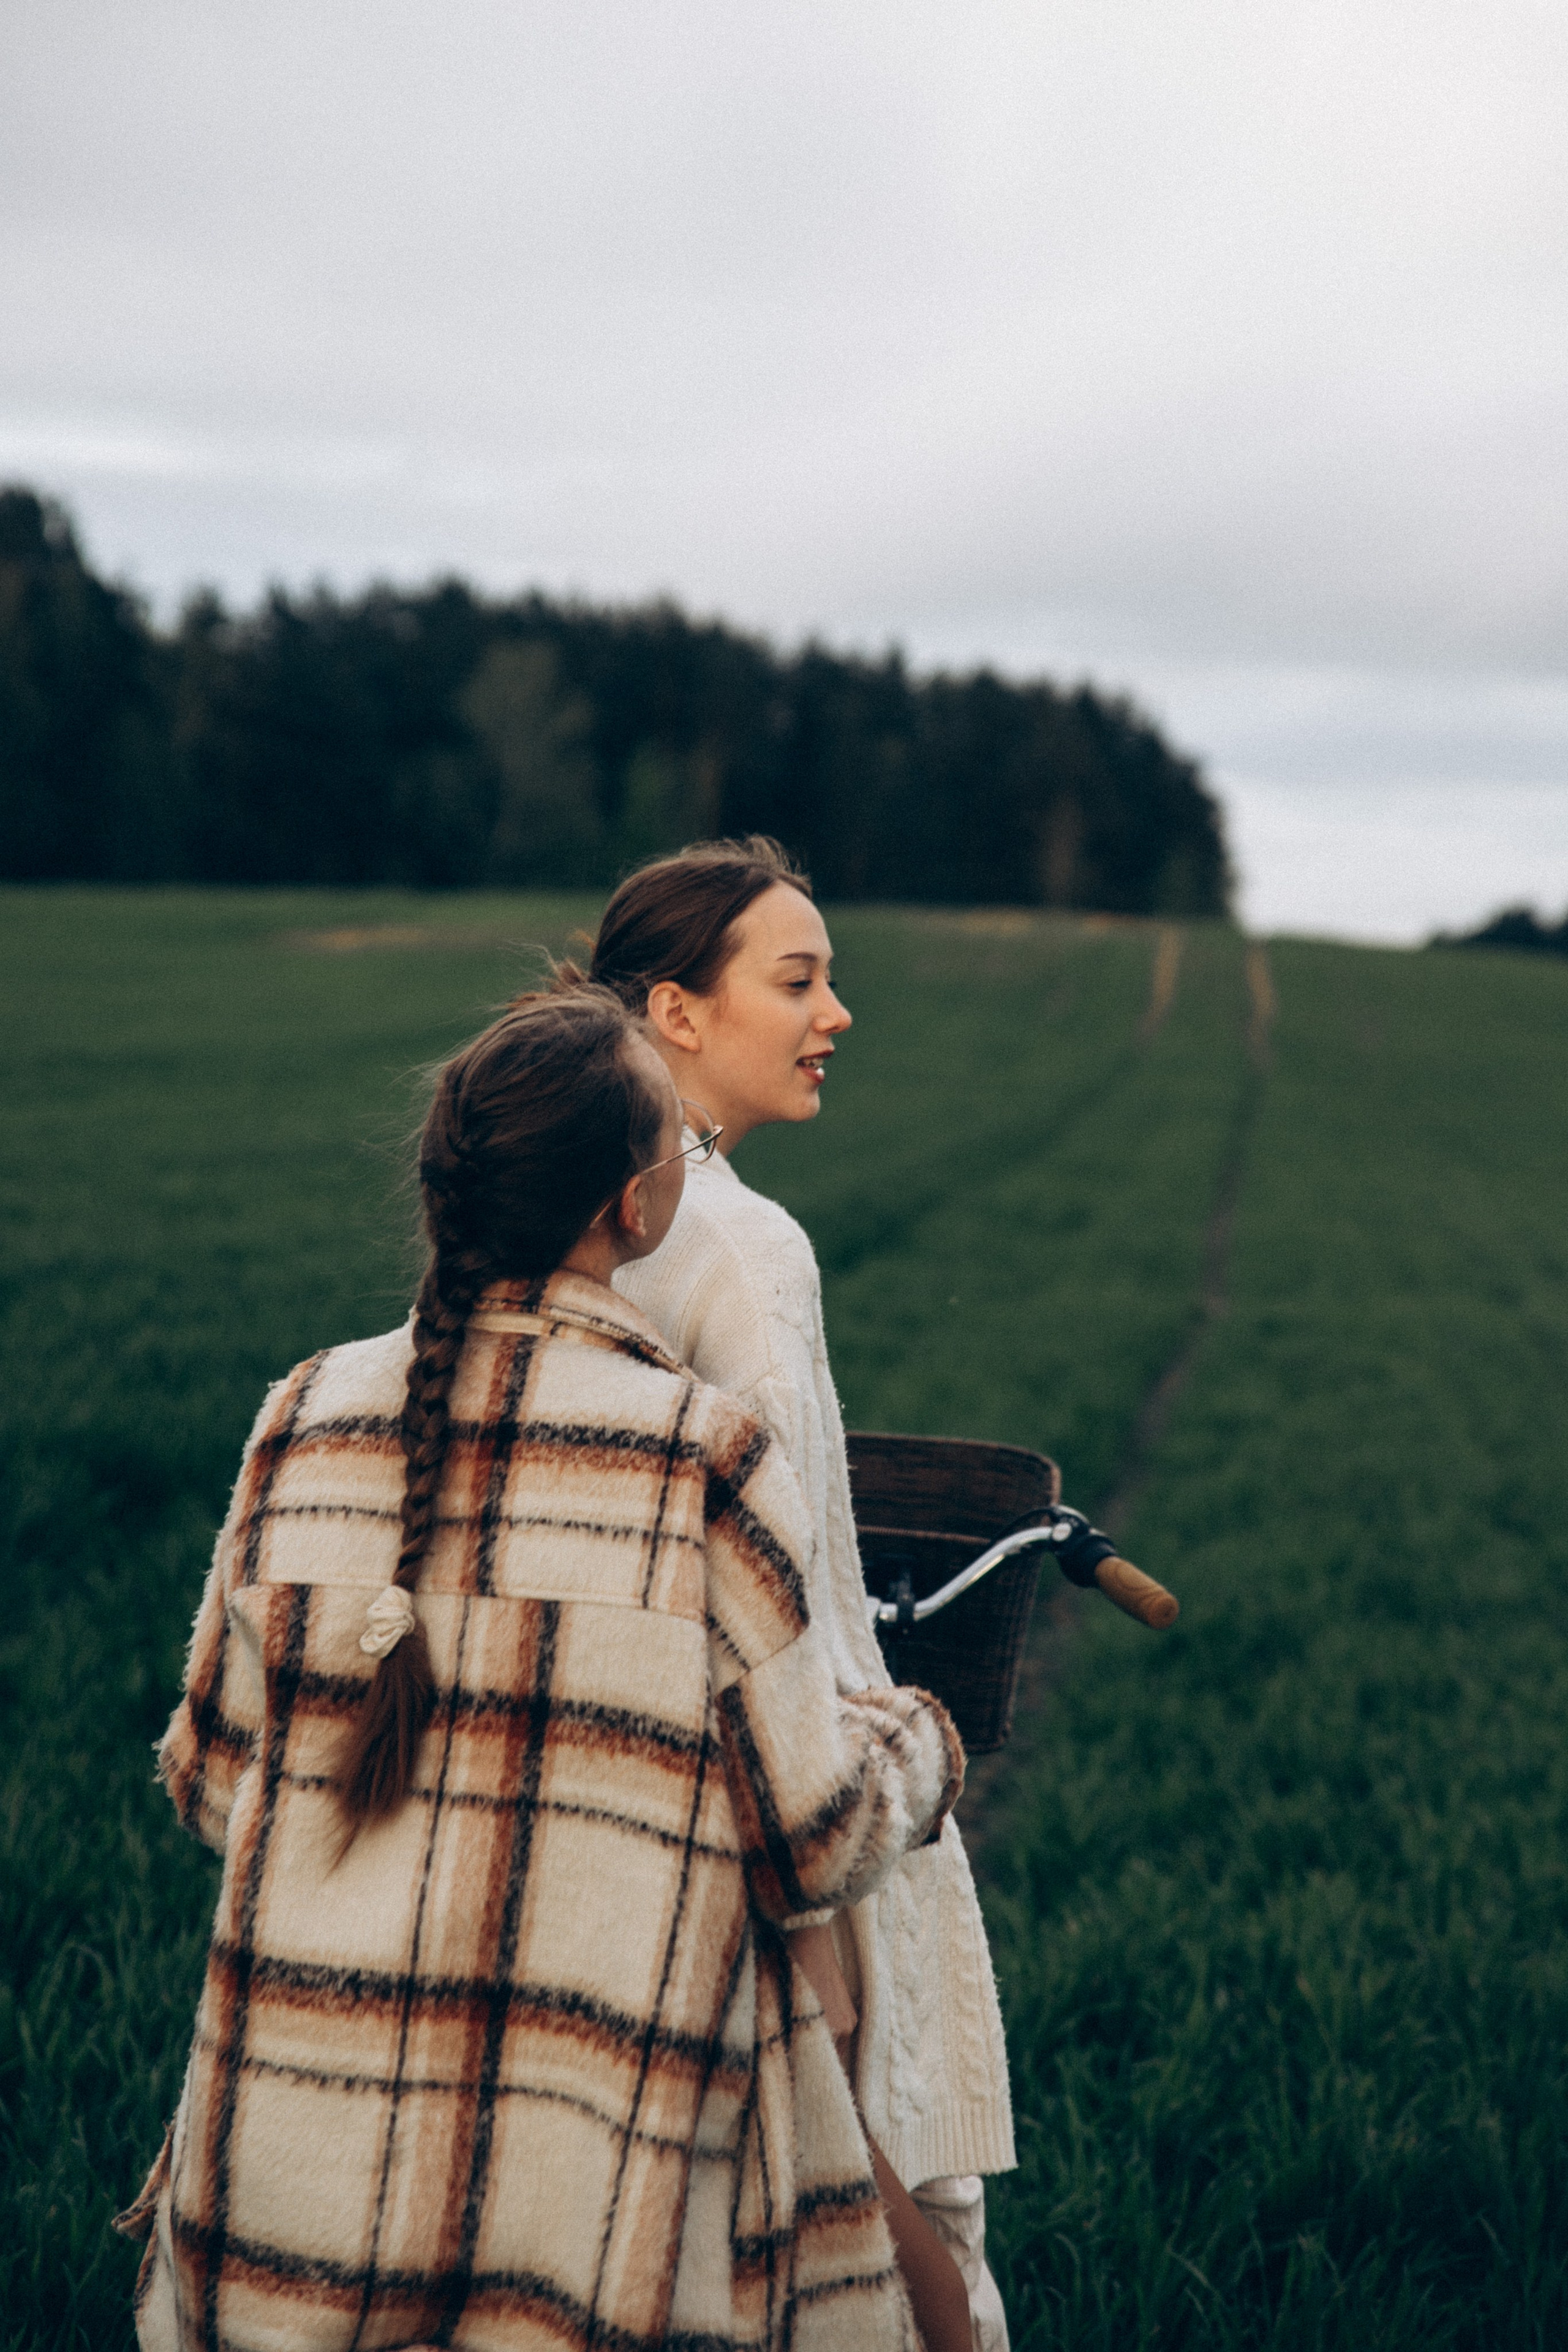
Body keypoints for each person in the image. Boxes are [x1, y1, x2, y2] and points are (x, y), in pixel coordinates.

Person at [116, 987, 966, 2352]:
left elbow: (219, 1787)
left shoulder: (302, 1418)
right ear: (636, 1210)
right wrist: (919, 1739)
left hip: (289, 2206)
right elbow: (809, 1837)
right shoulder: (704, 1457)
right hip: (604, 2212)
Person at [582, 839, 1015, 2352]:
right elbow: (780, 1599)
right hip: (785, 1818)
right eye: (798, 979)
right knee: (899, 2267)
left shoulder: (580, 1221)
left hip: (619, 1819)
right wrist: (821, 1891)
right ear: (676, 1013)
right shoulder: (745, 1245)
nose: (835, 1012)